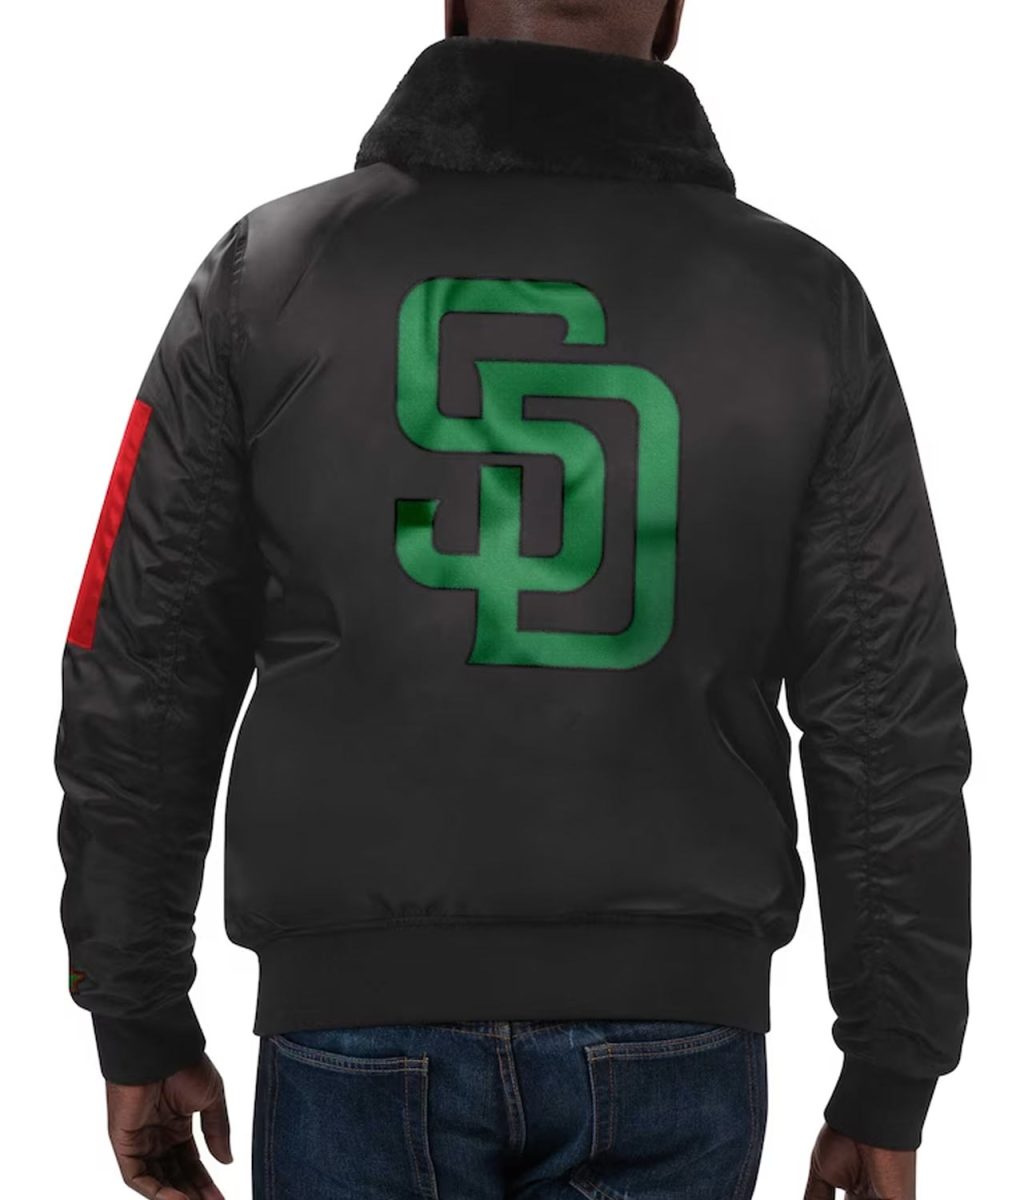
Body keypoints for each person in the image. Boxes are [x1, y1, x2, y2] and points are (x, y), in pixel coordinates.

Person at [55, 1, 971, 1197]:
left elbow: (140, 664)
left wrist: (135, 1011)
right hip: (677, 1033)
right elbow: (890, 715)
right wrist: (891, 1068)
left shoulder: (264, 276)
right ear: (672, 13)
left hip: (352, 1031)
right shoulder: (803, 303)